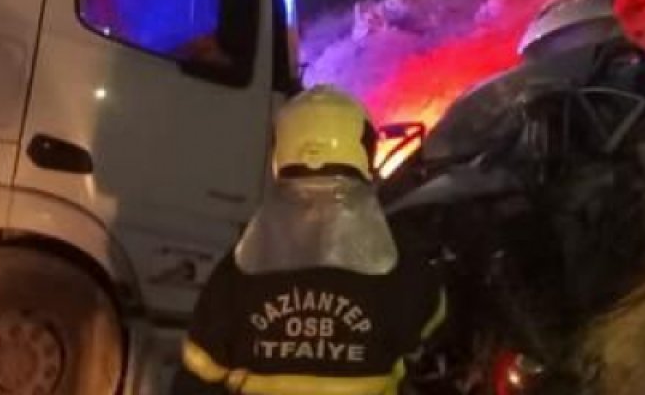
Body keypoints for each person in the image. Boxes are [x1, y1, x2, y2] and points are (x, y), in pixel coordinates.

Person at [173, 85, 445, 395]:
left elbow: (197, 373)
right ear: (364, 152)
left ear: (280, 153)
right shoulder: (401, 265)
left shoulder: (236, 273)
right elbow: (433, 326)